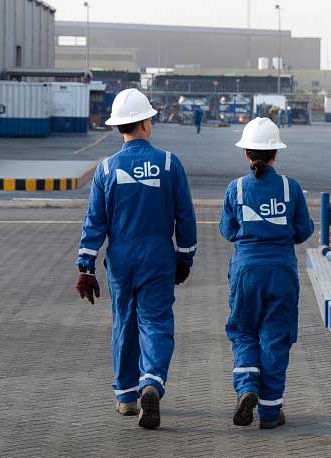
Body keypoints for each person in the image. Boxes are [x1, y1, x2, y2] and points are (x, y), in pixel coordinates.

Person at [76, 88, 198, 430]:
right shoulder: (170, 164)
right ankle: (152, 383)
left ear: (120, 127)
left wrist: (85, 266)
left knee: (124, 322)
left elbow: (94, 221)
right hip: (157, 256)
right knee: (156, 322)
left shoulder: (105, 169)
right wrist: (185, 257)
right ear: (146, 122)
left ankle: (127, 397)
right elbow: (185, 217)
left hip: (120, 258)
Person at [219, 117, 314, 430]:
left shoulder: (236, 188)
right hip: (282, 273)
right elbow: (304, 230)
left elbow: (228, 230)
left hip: (246, 272)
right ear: (276, 153)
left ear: (247, 154)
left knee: (244, 331)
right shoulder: (291, 188)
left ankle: (247, 388)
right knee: (275, 336)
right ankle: (271, 412)